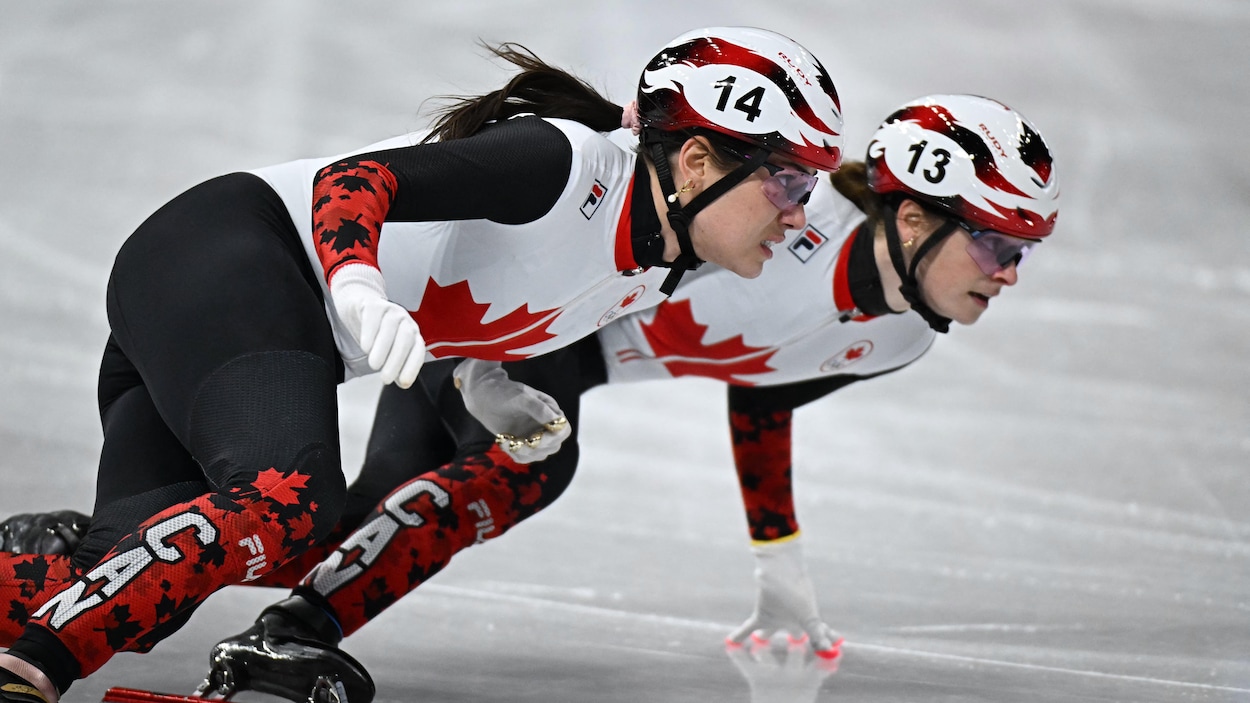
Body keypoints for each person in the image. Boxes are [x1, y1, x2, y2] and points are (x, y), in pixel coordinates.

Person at [0, 27, 845, 703]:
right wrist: (359, 283)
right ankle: (30, 670)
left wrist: (488, 377)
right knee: (288, 498)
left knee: (130, 593)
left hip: (231, 308)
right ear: (696, 161)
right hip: (227, 255)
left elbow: (494, 282)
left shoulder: (661, 257)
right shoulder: (566, 162)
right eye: (786, 183)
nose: (801, 216)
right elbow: (353, 181)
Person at [159, 92, 1056, 702]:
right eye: (998, 246)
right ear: (914, 218)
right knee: (532, 471)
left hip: (549, 357)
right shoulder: (786, 221)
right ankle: (290, 625)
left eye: (1021, 253)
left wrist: (779, 563)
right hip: (512, 328)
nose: (1010, 276)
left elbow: (762, 397)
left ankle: (93, 554)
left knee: (337, 527)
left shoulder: (899, 336)